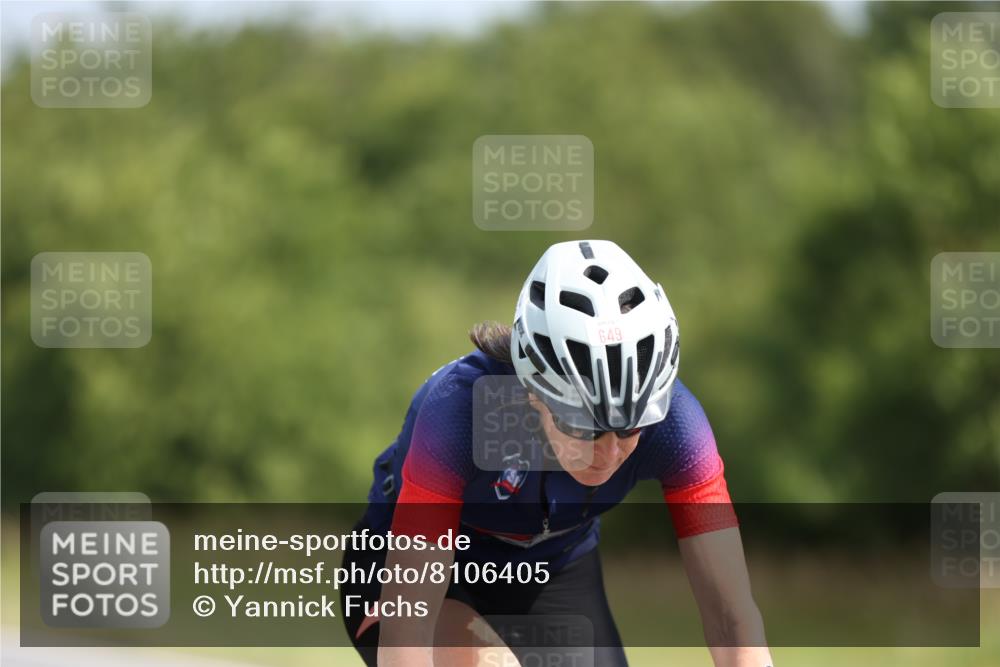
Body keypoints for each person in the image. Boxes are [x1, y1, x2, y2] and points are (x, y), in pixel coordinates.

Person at [341, 240, 773, 667]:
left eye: (630, 429)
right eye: (583, 427)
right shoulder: (462, 412)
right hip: (413, 571)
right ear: (533, 391)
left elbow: (733, 620)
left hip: (554, 567)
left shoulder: (676, 424)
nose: (607, 454)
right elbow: (407, 636)